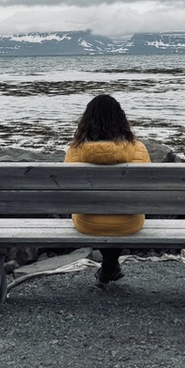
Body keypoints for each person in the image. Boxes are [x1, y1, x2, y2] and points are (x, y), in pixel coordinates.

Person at [64, 94, 150, 284]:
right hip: (130, 223)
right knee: (119, 213)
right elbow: (147, 190)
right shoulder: (139, 149)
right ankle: (110, 266)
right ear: (121, 120)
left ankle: (109, 267)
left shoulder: (74, 150)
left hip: (88, 223)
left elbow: (68, 192)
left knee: (100, 214)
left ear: (86, 121)